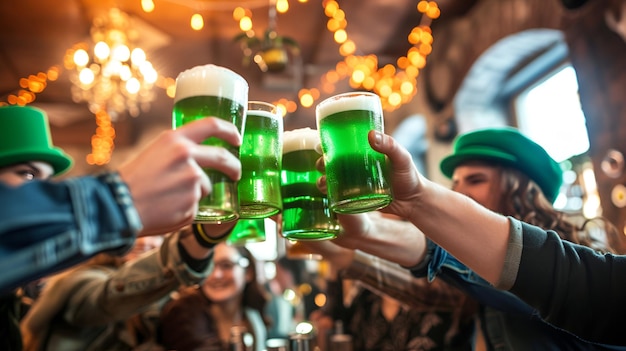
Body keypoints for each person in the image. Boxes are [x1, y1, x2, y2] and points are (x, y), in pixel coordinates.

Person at [322, 127, 626, 349]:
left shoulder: (568, 259)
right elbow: (427, 285)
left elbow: (466, 266)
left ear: (523, 189)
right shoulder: (473, 280)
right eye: (454, 183)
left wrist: (383, 225)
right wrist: (348, 239)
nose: (459, 192)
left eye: (476, 180)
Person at [0, 104, 242, 294]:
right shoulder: (73, 283)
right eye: (28, 174)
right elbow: (110, 294)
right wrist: (120, 198)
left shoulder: (23, 284)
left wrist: (201, 239)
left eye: (46, 181)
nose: (39, 191)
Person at [20, 219, 235, 350]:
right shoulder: (81, 281)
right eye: (136, 232)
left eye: (156, 234)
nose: (144, 241)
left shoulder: (169, 297)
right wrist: (198, 240)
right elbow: (110, 298)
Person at [160, 242, 269, 351]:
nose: (216, 275)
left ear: (248, 272)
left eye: (226, 265)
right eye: (208, 266)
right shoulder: (183, 314)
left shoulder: (254, 319)